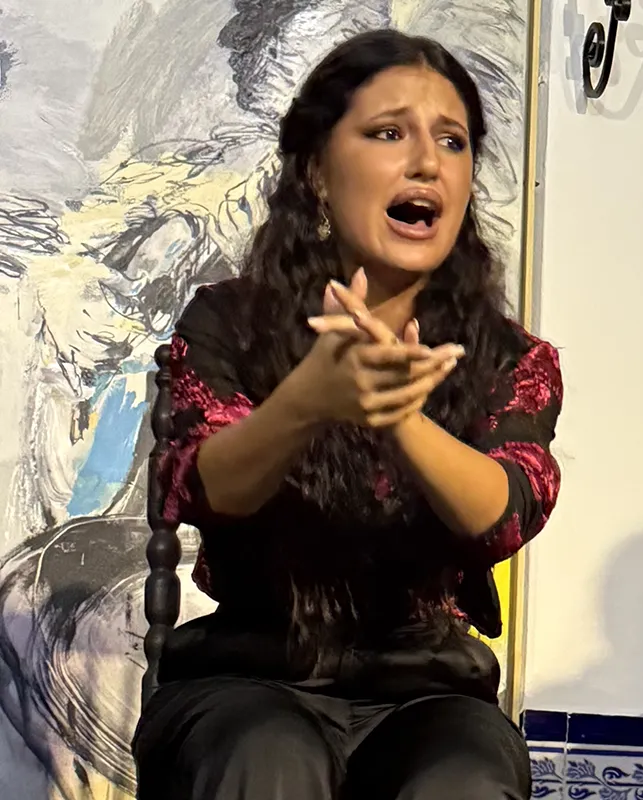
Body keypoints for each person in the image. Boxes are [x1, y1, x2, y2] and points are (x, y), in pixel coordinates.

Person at [133, 30, 560, 800]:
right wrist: (307, 401)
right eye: (388, 133)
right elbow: (207, 484)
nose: (426, 162)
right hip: (245, 681)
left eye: (452, 141)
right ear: (318, 174)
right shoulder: (230, 323)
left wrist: (397, 414)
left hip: (428, 694)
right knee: (269, 758)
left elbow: (506, 512)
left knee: (464, 778)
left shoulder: (507, 357)